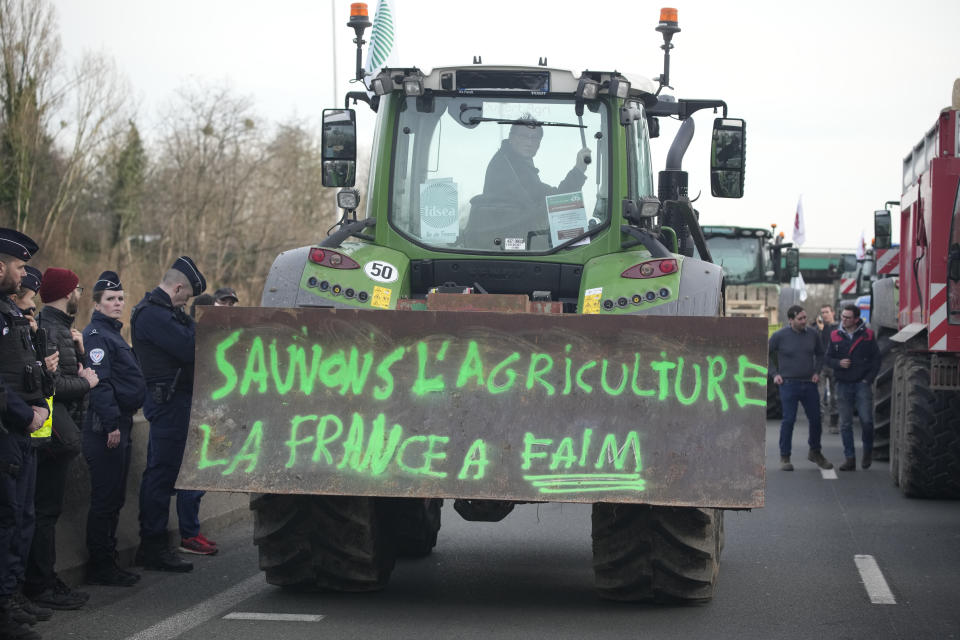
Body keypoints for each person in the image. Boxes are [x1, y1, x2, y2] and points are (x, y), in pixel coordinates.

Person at [132, 256, 213, 573]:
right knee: (162, 474)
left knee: (166, 473)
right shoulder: (152, 315)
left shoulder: (168, 314)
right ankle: (152, 546)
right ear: (178, 287)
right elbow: (191, 346)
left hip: (177, 403)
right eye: (186, 296)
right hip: (167, 404)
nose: (186, 303)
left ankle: (155, 544)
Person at [25, 269, 99, 610]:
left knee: (44, 513)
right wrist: (88, 383)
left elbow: (68, 373)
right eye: (78, 289)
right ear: (67, 292)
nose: (79, 294)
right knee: (43, 512)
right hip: (51, 436)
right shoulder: (51, 330)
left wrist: (81, 352)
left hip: (56, 434)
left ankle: (44, 580)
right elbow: (54, 385)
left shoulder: (60, 330)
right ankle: (40, 584)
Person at [0, 228, 52, 640]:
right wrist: (24, 413)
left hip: (19, 429)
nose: (23, 276)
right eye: (19, 266)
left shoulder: (10, 313)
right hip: (9, 428)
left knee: (19, 517)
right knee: (7, 519)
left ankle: (10, 596)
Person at [81, 271, 146, 586]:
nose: (117, 303)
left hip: (120, 421)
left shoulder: (113, 333)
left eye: (120, 298)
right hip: (106, 426)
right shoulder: (96, 335)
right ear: (97, 303)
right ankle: (100, 564)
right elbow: (100, 385)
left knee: (115, 497)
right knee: (105, 498)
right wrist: (111, 426)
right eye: (110, 299)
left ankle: (108, 560)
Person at [768, 305, 834, 471]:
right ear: (791, 320)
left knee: (816, 419)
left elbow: (820, 354)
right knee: (789, 420)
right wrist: (774, 373)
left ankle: (815, 452)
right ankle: (785, 457)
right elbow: (767, 353)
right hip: (788, 384)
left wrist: (817, 371)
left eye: (805, 318)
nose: (804, 321)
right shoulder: (779, 336)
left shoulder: (813, 334)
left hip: (809, 383)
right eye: (800, 319)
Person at [827, 304, 881, 471]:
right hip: (843, 384)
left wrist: (868, 380)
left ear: (856, 319)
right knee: (845, 424)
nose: (844, 320)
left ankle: (867, 450)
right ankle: (849, 458)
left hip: (861, 384)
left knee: (866, 421)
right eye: (842, 316)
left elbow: (876, 360)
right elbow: (827, 358)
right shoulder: (835, 335)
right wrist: (838, 363)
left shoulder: (868, 335)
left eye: (847, 317)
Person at [815, 304, 840, 434]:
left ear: (833, 313)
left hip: (835, 365)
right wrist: (820, 329)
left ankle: (834, 422)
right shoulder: (819, 328)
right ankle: (818, 421)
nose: (824, 315)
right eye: (822, 312)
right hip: (822, 366)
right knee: (819, 395)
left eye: (827, 312)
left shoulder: (839, 328)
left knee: (835, 396)